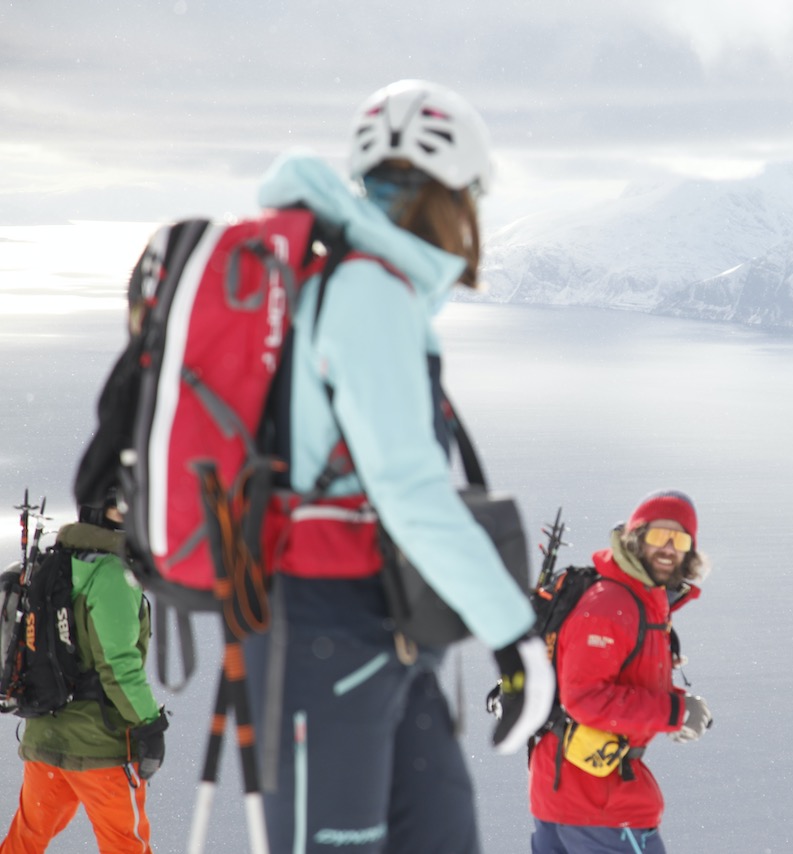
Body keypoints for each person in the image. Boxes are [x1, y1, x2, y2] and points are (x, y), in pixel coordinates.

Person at [240, 80, 554, 854]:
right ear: (448, 195)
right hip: (326, 625)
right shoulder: (367, 293)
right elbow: (408, 490)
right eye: (473, 196)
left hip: (376, 626)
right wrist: (515, 637)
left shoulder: (361, 284)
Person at [529, 490, 712, 854]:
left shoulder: (642, 600)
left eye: (680, 539)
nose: (668, 548)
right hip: (598, 804)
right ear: (636, 538)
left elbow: (619, 686)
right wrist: (673, 712)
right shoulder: (611, 605)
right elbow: (585, 699)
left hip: (565, 791)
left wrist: (677, 706)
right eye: (659, 535)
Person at [0, 500, 168, 854]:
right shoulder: (113, 576)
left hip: (44, 739)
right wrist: (150, 724)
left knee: (25, 842)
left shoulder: (56, 562)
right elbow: (119, 666)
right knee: (126, 847)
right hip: (101, 750)